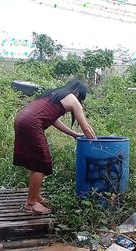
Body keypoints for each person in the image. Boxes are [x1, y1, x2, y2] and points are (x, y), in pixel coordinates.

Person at [13, 80, 96, 214]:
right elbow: (86, 127)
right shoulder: (72, 99)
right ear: (78, 93)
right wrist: (97, 144)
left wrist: (73, 134)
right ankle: (31, 202)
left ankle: (36, 196)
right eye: (81, 98)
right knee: (40, 163)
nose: (79, 101)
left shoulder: (53, 94)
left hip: (21, 119)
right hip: (31, 124)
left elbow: (51, 119)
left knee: (35, 161)